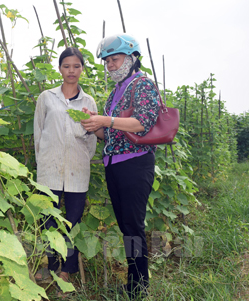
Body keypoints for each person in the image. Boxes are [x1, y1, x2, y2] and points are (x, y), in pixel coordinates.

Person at [80, 34, 160, 299]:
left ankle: (140, 287)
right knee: (126, 226)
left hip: (136, 164)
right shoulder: (116, 92)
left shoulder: (142, 85)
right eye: (107, 62)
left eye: (115, 60)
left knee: (134, 225)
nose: (110, 65)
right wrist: (96, 125)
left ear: (132, 57)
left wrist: (107, 120)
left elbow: (142, 123)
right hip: (114, 165)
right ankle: (132, 283)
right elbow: (110, 135)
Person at [33, 47, 97, 289]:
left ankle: (68, 269)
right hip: (49, 170)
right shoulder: (46, 97)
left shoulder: (88, 101)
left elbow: (91, 138)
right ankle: (50, 265)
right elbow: (38, 133)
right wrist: (45, 161)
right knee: (48, 221)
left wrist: (81, 158)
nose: (72, 70)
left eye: (76, 66)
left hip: (77, 172)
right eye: (67, 66)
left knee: (71, 222)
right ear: (60, 68)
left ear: (82, 69)